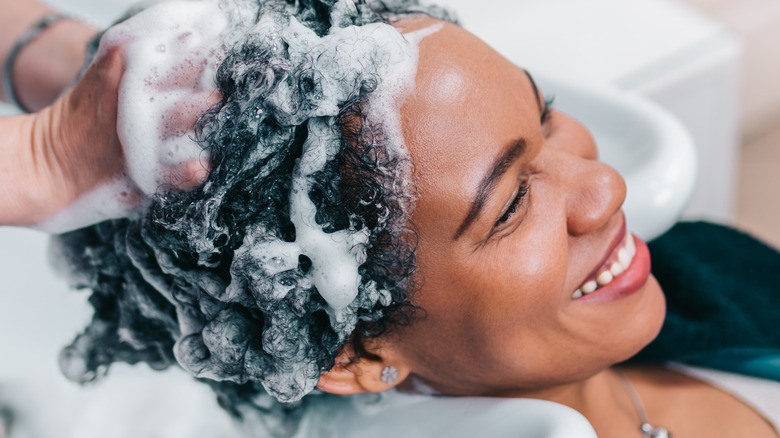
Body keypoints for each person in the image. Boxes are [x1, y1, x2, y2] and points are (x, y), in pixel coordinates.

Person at [2, 1, 779, 437]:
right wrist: (42, 159)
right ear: (354, 357)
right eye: (508, 205)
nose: (604, 186)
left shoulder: (709, 276)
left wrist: (48, 50)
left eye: (544, 117)